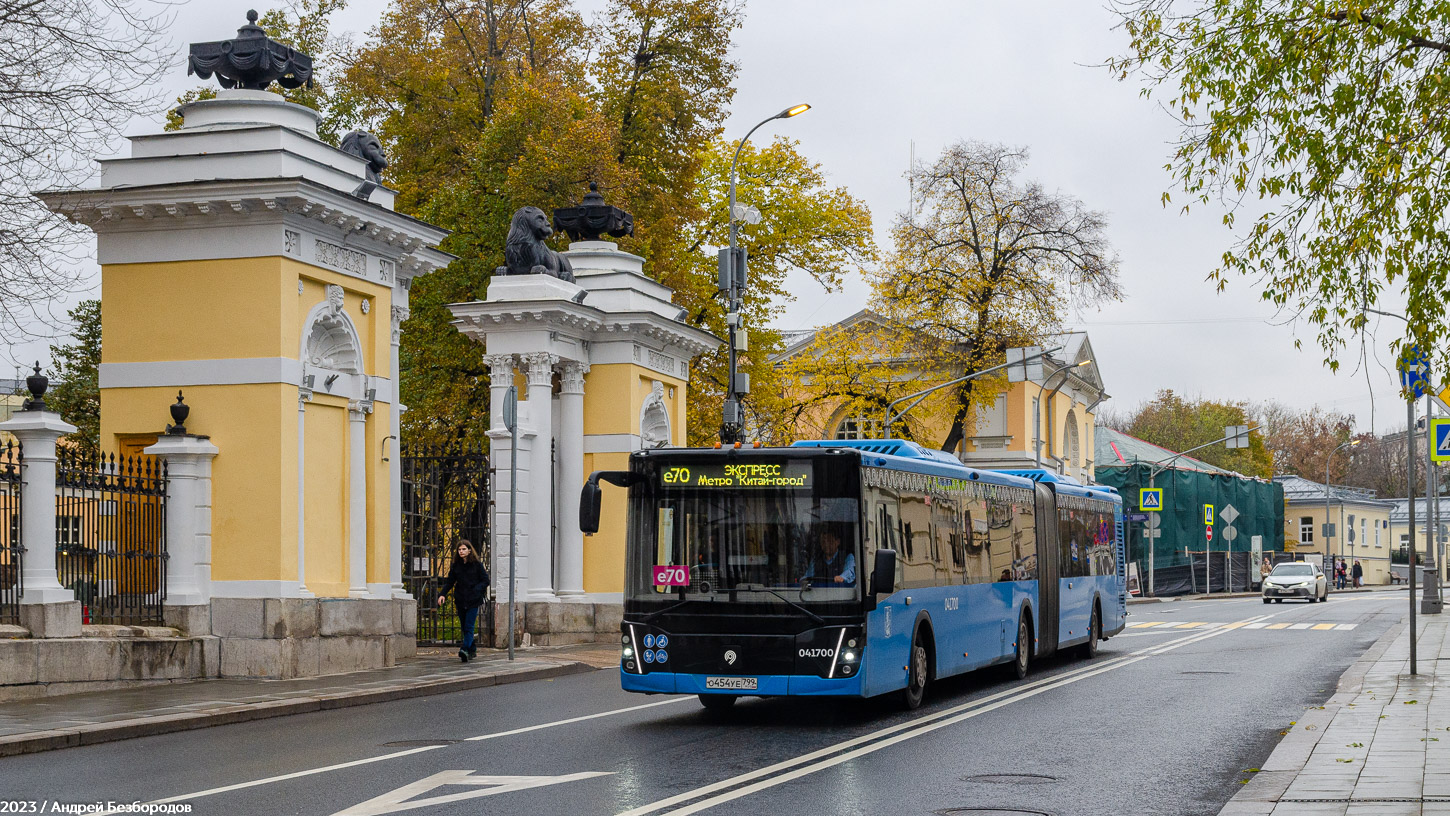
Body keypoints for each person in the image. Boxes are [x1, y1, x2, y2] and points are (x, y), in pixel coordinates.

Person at [437, 539, 490, 662]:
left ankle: (464, 649)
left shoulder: (477, 565)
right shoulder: (456, 566)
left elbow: (485, 580)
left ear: (469, 550)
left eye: (464, 549)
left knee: (469, 626)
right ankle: (472, 649)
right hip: (461, 599)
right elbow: (450, 582)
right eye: (459, 549)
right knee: (463, 626)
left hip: (473, 600)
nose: (461, 551)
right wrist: (442, 594)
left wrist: (476, 589)